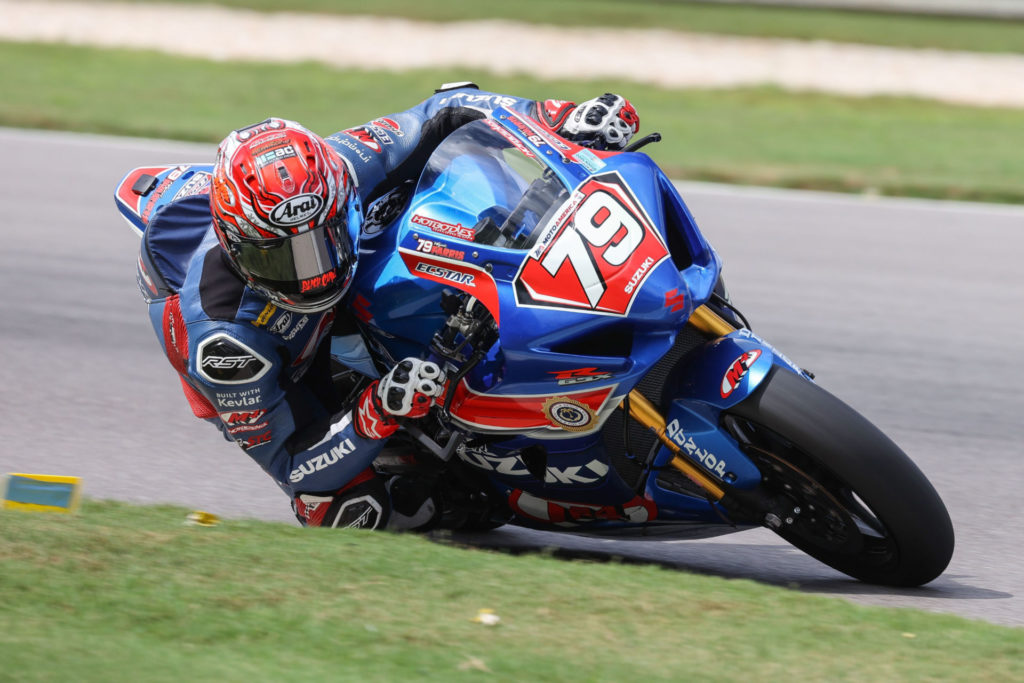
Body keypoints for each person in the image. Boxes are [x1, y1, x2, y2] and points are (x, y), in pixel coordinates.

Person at [136, 84, 640, 530]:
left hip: (302, 234)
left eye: (324, 239)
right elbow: (293, 462)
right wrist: (377, 410)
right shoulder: (225, 346)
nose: (313, 274)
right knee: (346, 509)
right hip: (281, 351)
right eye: (283, 258)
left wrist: (556, 117)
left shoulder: (339, 167)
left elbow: (448, 107)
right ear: (237, 248)